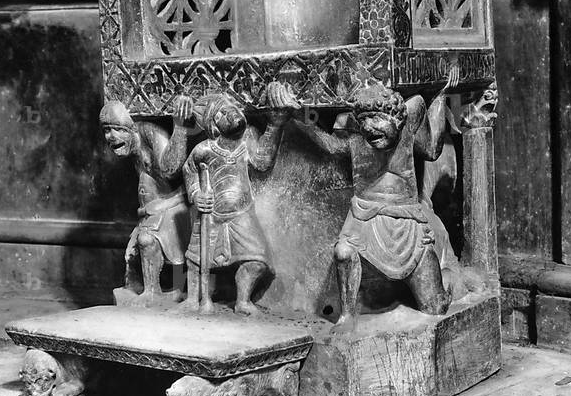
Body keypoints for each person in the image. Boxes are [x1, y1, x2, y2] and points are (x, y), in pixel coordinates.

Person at [295, 68, 461, 329]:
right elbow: (330, 146)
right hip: (365, 216)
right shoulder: (358, 137)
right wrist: (294, 117)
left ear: (396, 118)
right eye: (366, 123)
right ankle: (347, 315)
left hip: (407, 222)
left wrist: (441, 96)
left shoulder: (409, 124)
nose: (372, 130)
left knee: (436, 306)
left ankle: (446, 275)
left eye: (378, 121)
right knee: (343, 251)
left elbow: (431, 150)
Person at [182, 83, 298, 315]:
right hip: (212, 214)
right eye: (222, 114)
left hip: (241, 214)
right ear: (214, 127)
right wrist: (196, 195)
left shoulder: (248, 140)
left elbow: (263, 162)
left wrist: (274, 126)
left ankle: (243, 301)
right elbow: (189, 171)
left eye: (230, 108)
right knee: (196, 260)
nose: (230, 113)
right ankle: (193, 298)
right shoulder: (203, 150)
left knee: (257, 260)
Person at [100, 97, 193, 300]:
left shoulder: (150, 132)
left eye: (118, 129)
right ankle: (148, 289)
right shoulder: (134, 146)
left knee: (146, 241)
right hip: (151, 211)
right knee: (133, 253)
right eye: (106, 130)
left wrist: (180, 128)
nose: (111, 136)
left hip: (174, 204)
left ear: (131, 127)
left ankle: (153, 292)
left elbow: (170, 169)